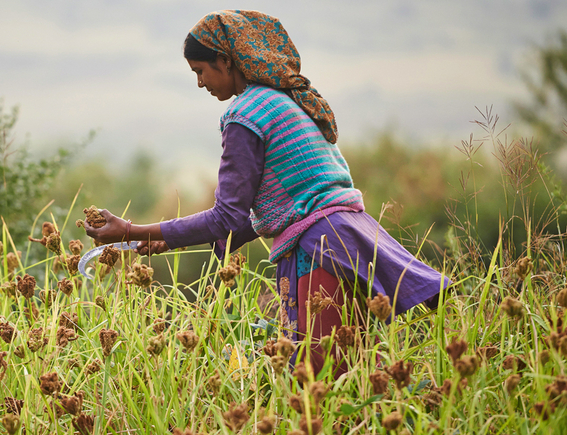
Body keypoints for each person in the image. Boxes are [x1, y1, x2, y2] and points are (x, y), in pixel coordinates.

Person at [84, 10, 448, 377]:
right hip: (349, 239)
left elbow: (225, 217)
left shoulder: (244, 115)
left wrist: (131, 231)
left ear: (225, 60)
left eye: (200, 71)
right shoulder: (284, 101)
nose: (199, 83)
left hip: (319, 249)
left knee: (317, 378)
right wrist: (166, 238)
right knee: (355, 371)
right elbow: (279, 205)